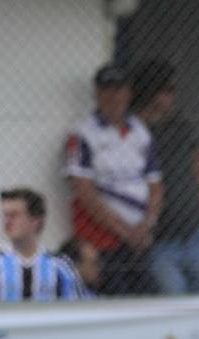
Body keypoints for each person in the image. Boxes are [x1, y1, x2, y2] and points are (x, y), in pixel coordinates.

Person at [65, 64, 162, 295]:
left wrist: (146, 225)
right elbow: (83, 190)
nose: (114, 96)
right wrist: (126, 232)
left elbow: (156, 184)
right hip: (101, 242)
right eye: (107, 89)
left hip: (139, 240)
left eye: (119, 89)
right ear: (97, 93)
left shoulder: (140, 131)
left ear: (129, 93)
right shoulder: (82, 133)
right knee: (114, 300)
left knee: (146, 300)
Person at [132, 60, 199, 294]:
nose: (172, 97)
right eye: (167, 90)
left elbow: (197, 164)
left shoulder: (181, 126)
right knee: (173, 301)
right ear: (151, 92)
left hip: (193, 233)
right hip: (161, 240)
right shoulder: (133, 130)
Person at [0, 188, 89, 301]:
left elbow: (78, 307)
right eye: (5, 215)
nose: (7, 221)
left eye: (14, 215)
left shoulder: (60, 263)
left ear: (35, 220)